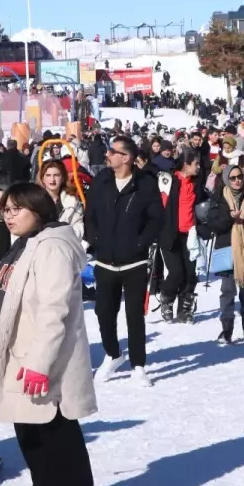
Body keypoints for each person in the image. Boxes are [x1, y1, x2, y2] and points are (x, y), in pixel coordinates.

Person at [0, 183, 100, 486]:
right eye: (5, 209)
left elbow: (54, 310)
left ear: (39, 209)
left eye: (17, 209)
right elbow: (13, 293)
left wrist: (40, 362)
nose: (9, 215)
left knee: (58, 432)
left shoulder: (52, 247)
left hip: (45, 357)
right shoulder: (24, 243)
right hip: (19, 354)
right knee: (29, 432)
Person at [84, 136, 163, 385]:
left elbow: (155, 219)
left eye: (112, 151)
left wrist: (140, 243)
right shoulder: (101, 181)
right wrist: (95, 240)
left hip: (134, 262)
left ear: (126, 157)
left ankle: (138, 365)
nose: (107, 155)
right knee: (103, 312)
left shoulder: (145, 184)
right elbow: (90, 215)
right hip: (105, 261)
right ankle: (113, 354)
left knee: (133, 315)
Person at [156, 149, 203, 325]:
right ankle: (166, 299)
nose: (198, 167)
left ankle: (185, 308)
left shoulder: (196, 183)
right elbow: (158, 204)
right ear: (186, 165)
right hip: (170, 233)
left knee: (191, 273)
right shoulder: (169, 181)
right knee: (176, 272)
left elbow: (203, 204)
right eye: (195, 164)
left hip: (190, 234)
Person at [216, 164, 244, 342]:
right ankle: (227, 329)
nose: (237, 181)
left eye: (239, 177)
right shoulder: (219, 196)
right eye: (232, 178)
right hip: (226, 246)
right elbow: (213, 222)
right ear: (227, 179)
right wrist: (229, 216)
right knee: (227, 290)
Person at [39, 159, 85, 241]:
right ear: (42, 179)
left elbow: (79, 228)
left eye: (56, 175)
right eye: (48, 175)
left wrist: (60, 237)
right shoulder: (34, 201)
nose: (52, 180)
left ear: (63, 178)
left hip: (65, 245)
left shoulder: (72, 202)